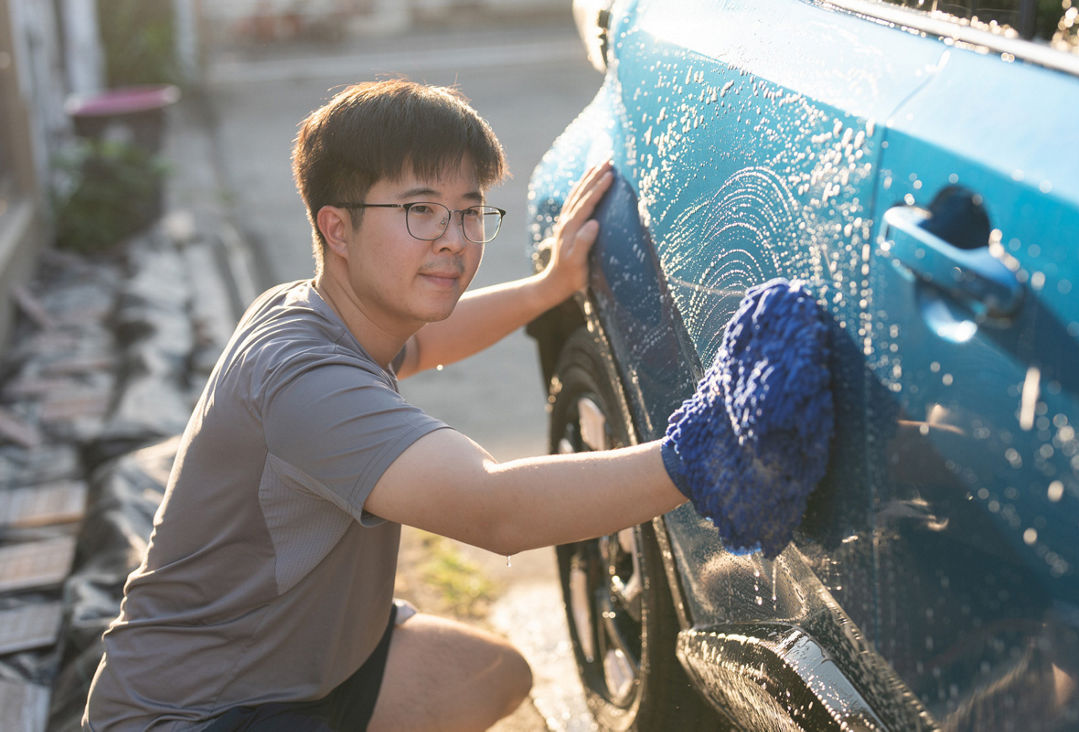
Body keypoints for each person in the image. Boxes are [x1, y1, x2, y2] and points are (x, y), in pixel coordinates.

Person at [83, 79, 687, 731]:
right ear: (337, 226)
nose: (454, 239)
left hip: (301, 677)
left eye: (468, 210)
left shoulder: (320, 311)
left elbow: (424, 340)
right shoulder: (303, 378)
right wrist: (697, 455)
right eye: (421, 210)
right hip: (191, 716)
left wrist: (547, 288)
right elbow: (496, 510)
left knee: (488, 675)